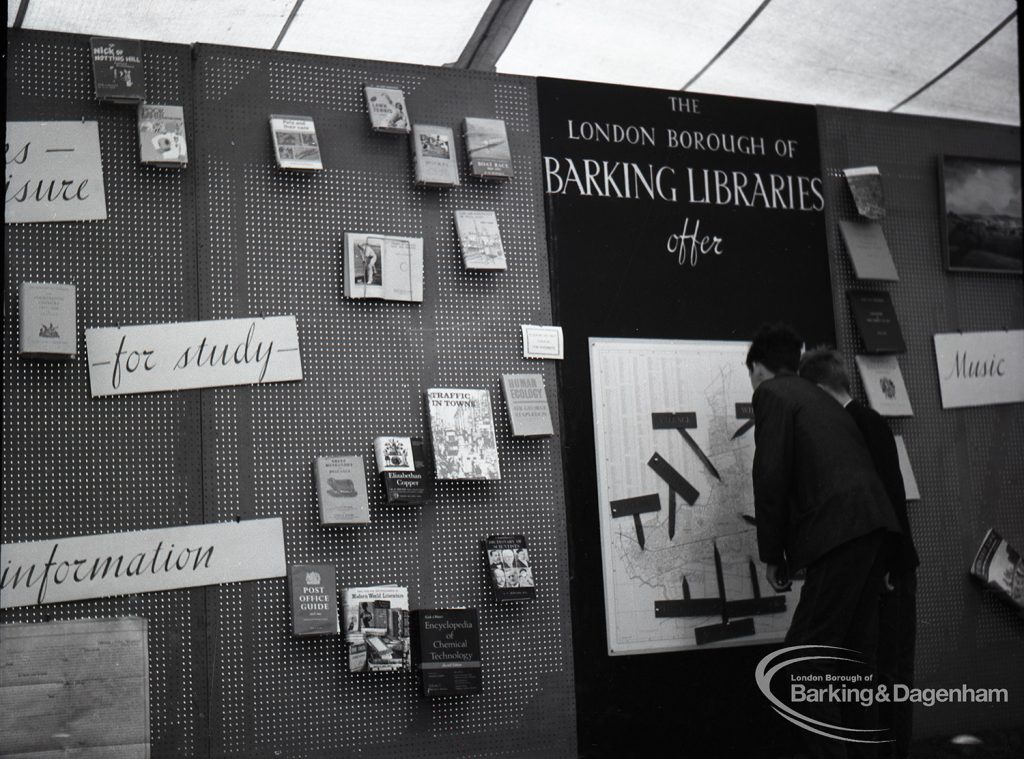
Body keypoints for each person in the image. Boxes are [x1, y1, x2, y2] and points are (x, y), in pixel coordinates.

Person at [747, 323, 901, 759]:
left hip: (840, 533)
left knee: (801, 666)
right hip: (872, 531)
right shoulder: (820, 396)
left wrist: (772, 554)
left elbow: (771, 474)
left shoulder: (773, 393)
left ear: (759, 369)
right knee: (854, 660)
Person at [799, 347, 919, 759]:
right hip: (884, 566)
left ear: (817, 389)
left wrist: (884, 563)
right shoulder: (863, 422)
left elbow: (886, 500)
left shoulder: (858, 424)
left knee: (889, 674)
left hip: (889, 569)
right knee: (877, 673)